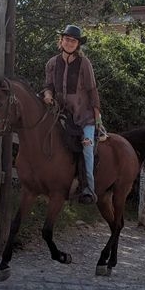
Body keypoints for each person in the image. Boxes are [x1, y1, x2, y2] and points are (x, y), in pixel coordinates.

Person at [42, 24, 106, 204]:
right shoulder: (52, 63)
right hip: (60, 113)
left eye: (74, 41)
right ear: (61, 41)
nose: (70, 43)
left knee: (87, 148)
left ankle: (88, 189)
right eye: (67, 39)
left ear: (78, 45)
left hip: (84, 116)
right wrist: (47, 95)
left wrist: (97, 117)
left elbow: (92, 91)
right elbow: (48, 86)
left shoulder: (85, 64)